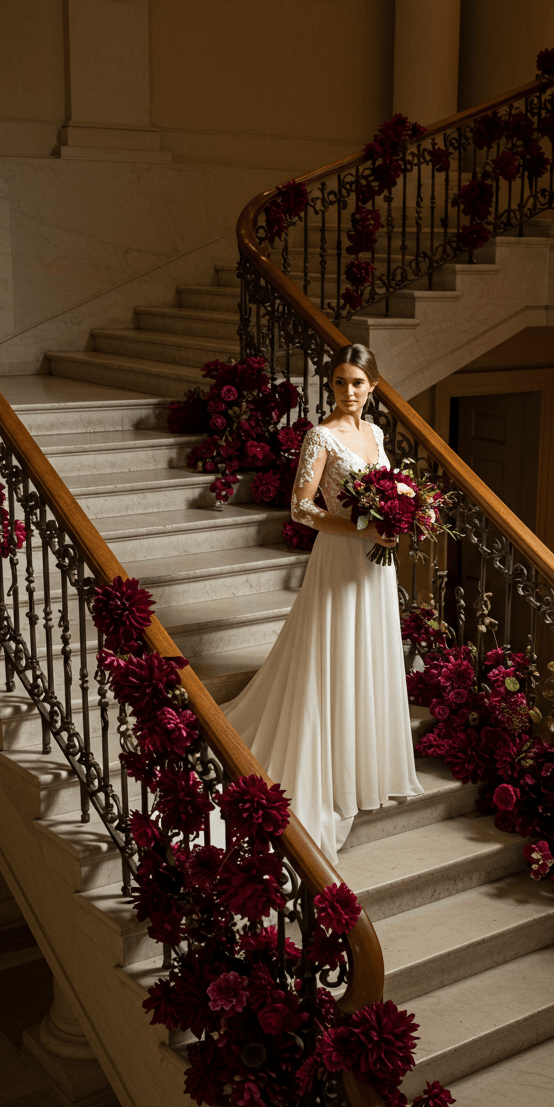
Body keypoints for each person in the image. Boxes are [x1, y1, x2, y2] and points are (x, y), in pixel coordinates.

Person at [221, 344, 422, 864]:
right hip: (340, 554)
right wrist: (361, 525)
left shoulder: (376, 434)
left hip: (377, 562)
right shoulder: (321, 436)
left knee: (371, 652)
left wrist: (395, 523)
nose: (348, 391)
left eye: (357, 382)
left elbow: (391, 492)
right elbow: (301, 507)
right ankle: (327, 764)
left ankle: (368, 762)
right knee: (334, 651)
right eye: (339, 382)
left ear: (373, 386)